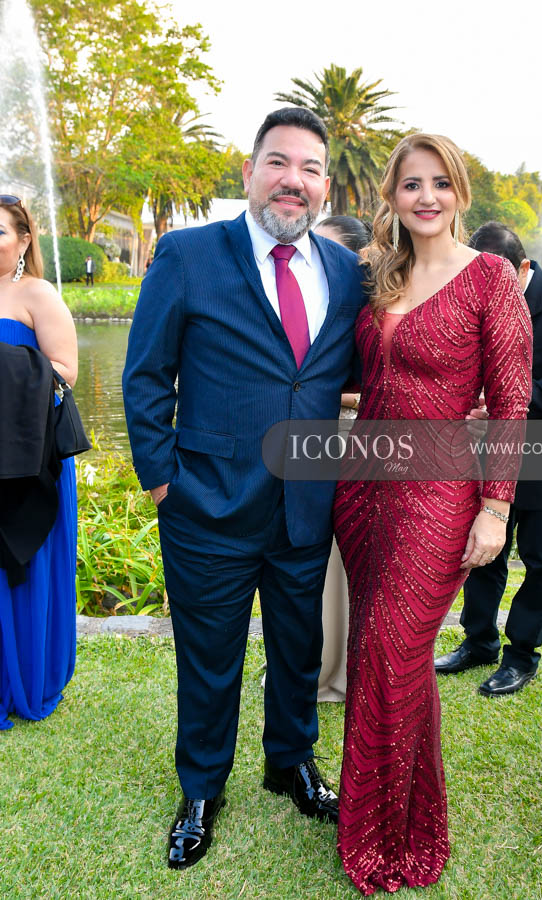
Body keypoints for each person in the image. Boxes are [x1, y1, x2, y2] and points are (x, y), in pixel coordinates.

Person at [122, 108, 367, 870]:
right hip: (205, 507)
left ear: (324, 186)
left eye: (310, 169)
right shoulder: (188, 255)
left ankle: (290, 762)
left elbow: (351, 374)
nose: (293, 181)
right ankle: (201, 790)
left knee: (299, 649)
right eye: (278, 163)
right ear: (250, 171)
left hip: (305, 508)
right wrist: (163, 483)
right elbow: (145, 377)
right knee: (209, 659)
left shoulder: (345, 274)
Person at [333, 135, 533, 894]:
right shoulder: (380, 275)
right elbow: (365, 379)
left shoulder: (489, 278)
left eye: (440, 183)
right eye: (411, 184)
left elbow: (511, 404)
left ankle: (395, 832)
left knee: (393, 648)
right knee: (375, 651)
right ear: (390, 195)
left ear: (460, 194)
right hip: (361, 488)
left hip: (439, 491)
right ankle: (388, 812)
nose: (426, 197)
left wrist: (495, 508)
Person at [435, 222, 542, 695]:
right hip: (488, 455)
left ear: (523, 267)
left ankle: (522, 655)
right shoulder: (471, 299)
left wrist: (507, 401)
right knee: (483, 556)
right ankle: (478, 642)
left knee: (541, 562)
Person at [0, 194, 78, 730]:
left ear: (24, 240)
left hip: (29, 458)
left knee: (23, 570)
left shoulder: (37, 294)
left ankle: (25, 675)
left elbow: (65, 371)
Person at [313, 215, 370, 703]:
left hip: (350, 438)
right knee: (314, 559)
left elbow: (375, 387)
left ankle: (340, 671)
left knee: (341, 561)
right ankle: (314, 660)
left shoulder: (368, 308)